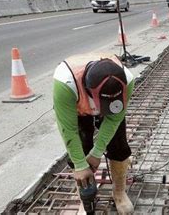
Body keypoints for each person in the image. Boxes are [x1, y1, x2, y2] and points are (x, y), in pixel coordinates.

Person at [53, 53, 135, 214]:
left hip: (110, 106)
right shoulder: (65, 84)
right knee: (81, 148)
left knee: (119, 146)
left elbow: (113, 120)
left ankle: (119, 192)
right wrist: (80, 164)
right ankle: (83, 200)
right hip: (78, 107)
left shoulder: (128, 79)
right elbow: (69, 130)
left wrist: (97, 153)